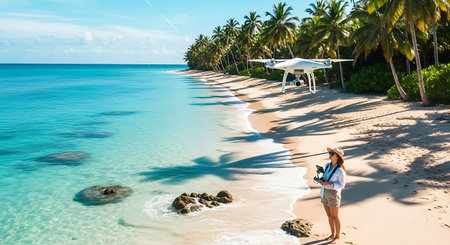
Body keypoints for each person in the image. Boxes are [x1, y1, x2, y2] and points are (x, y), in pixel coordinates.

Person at [319, 146, 346, 244]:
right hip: (324, 192)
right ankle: (332, 234)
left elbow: (342, 185)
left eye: (332, 154)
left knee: (335, 217)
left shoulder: (340, 171)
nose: (329, 155)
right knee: (329, 216)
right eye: (330, 153)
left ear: (337, 157)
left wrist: (330, 184)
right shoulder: (326, 165)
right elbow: (325, 178)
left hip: (333, 194)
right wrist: (321, 181)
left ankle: (338, 237)